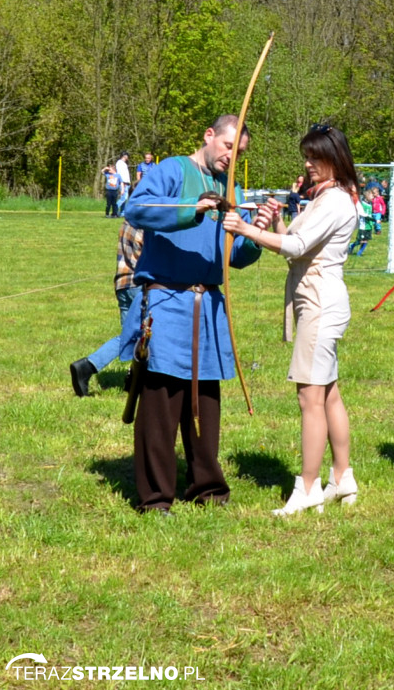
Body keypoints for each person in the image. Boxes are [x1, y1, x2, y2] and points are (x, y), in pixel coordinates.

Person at [122, 114, 263, 514]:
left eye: (239, 152)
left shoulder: (230, 187)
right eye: (227, 146)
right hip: (168, 305)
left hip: (208, 309)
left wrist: (254, 237)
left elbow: (235, 256)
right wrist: (192, 210)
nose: (231, 156)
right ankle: (155, 497)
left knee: (206, 406)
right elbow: (137, 208)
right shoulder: (173, 170)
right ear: (209, 136)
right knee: (161, 405)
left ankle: (208, 488)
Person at [223, 123, 360, 515]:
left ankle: (308, 488)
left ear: (334, 159)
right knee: (328, 391)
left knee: (309, 396)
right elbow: (296, 247)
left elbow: (298, 246)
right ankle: (343, 477)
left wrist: (246, 228)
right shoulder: (324, 199)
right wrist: (276, 219)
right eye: (308, 156)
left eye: (315, 157)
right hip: (316, 300)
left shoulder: (334, 201)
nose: (308, 163)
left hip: (320, 303)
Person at [70, 221, 144, 396]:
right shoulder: (147, 222)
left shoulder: (128, 221)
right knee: (150, 336)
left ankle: (88, 367)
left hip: (123, 284)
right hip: (140, 286)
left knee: (131, 337)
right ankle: (88, 367)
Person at [350, 188, 374, 256]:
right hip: (363, 226)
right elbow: (361, 212)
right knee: (361, 241)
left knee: (366, 240)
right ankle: (352, 246)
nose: (373, 197)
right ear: (367, 196)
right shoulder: (362, 204)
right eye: (371, 196)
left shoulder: (370, 204)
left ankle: (359, 253)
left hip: (369, 226)